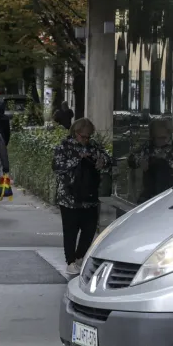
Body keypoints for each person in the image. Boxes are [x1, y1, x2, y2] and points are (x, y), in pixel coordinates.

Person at [52, 118, 113, 276]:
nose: (85, 140)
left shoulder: (93, 146)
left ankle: (80, 257)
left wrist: (102, 162)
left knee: (89, 229)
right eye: (82, 136)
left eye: (88, 136)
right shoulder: (64, 146)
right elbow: (57, 167)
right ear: (75, 132)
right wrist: (78, 159)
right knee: (71, 231)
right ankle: (70, 260)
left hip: (90, 197)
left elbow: (108, 159)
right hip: (69, 197)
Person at [128, 118, 173, 204]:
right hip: (150, 194)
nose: (160, 141)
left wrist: (163, 163)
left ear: (169, 134)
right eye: (156, 138)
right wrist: (140, 161)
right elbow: (132, 159)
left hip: (172, 194)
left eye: (163, 138)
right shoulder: (148, 147)